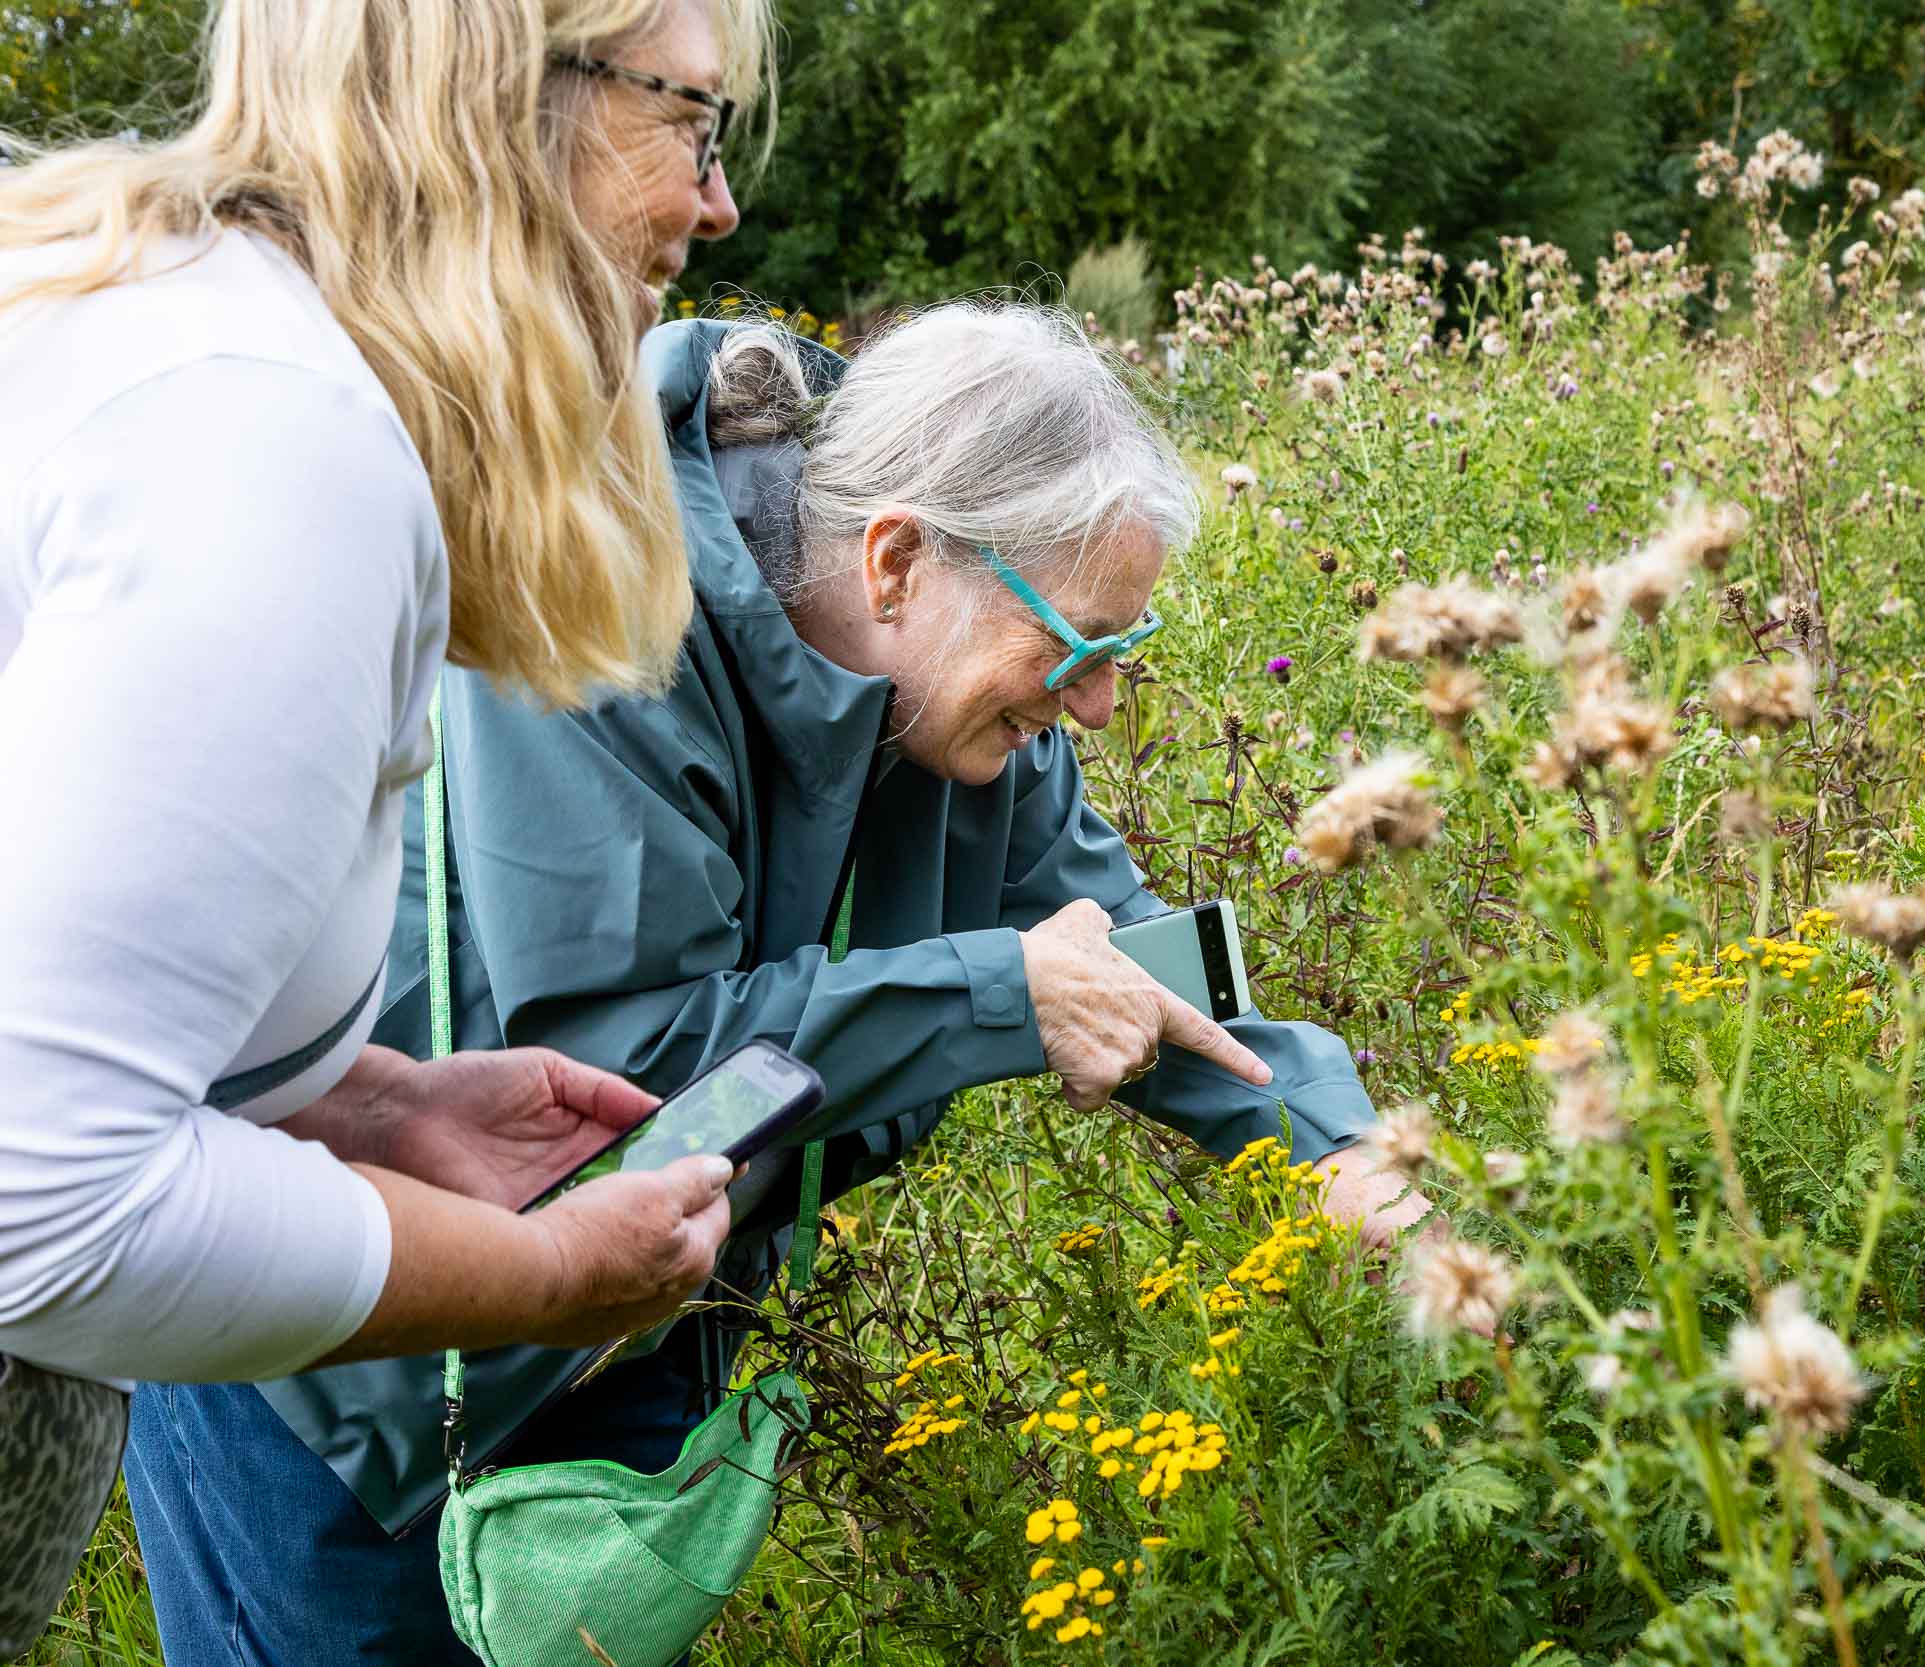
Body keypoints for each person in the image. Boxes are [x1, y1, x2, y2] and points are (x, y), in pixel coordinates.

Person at [121, 303, 1426, 1660]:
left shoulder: (986, 724)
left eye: (1122, 647)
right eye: (1079, 644)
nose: (1098, 704)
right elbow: (633, 1071)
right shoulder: (611, 624)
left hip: (626, 1316)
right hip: (360, 1352)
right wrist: (1000, 996)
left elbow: (1133, 963)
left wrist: (1338, 1149)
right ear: (899, 560)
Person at [0, 0, 776, 1651]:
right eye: (689, 121)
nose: (717, 208)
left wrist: (355, 1106)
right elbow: (44, 1212)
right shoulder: (272, 451)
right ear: (497, 104)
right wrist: (556, 1281)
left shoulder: (176, 345)